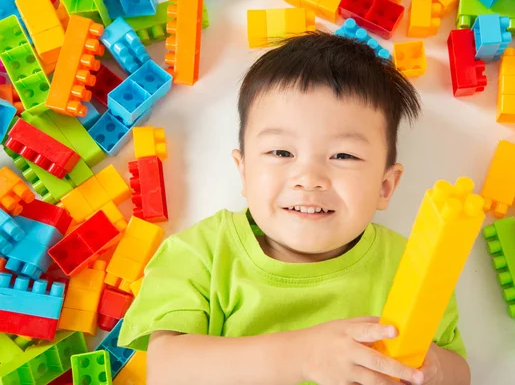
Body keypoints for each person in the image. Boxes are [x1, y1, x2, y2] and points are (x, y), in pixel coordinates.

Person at [119, 32, 471, 385]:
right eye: (281, 153)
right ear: (244, 173)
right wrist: (303, 357)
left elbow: (460, 372)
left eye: (343, 156)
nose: (309, 178)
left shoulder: (411, 264)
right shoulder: (201, 254)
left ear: (384, 186)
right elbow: (166, 370)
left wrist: (435, 369)